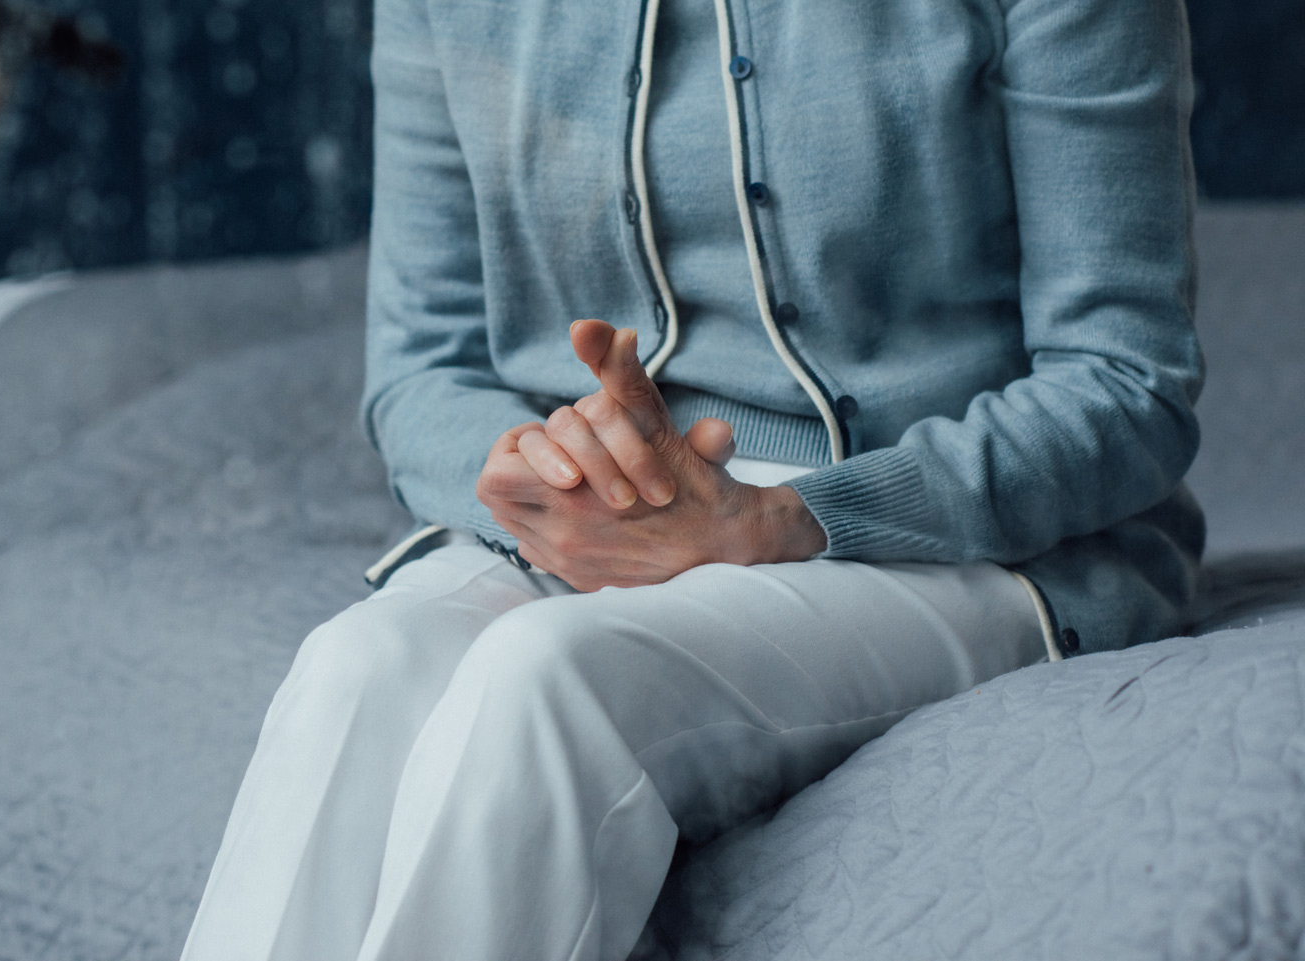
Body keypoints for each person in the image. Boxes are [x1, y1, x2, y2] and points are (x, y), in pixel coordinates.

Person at [180, 0, 1204, 957]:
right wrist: (560, 477)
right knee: (356, 665)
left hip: (966, 542)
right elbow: (421, 373)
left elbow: (1125, 387)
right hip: (610, 516)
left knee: (547, 677)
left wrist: (779, 519)